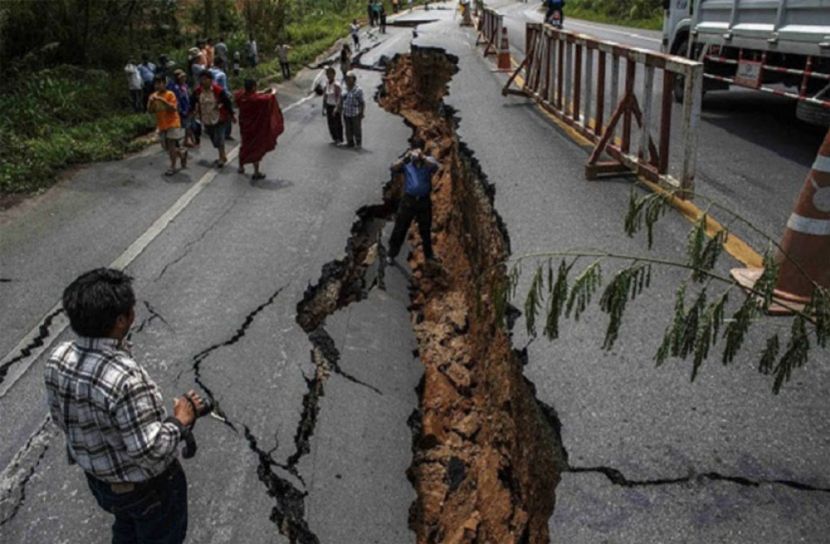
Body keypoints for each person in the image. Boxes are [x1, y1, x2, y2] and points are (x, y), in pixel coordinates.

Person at [45, 268, 205, 544]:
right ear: (122, 320)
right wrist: (180, 420)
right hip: (148, 490)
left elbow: (62, 419)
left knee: (126, 529)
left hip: (100, 483)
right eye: (131, 309)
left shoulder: (58, 358)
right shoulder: (124, 379)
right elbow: (150, 451)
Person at [386, 138, 441, 266]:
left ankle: (429, 256)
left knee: (425, 230)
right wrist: (405, 158)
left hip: (423, 201)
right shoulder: (407, 162)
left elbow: (435, 167)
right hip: (408, 201)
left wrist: (422, 157)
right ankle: (391, 254)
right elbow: (393, 168)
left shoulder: (428, 160)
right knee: (400, 228)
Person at [234, 79, 284, 180]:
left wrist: (263, 91)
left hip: (244, 125)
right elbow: (269, 98)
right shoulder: (256, 100)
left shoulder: (240, 96)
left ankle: (241, 166)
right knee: (255, 147)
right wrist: (273, 91)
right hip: (255, 127)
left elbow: (252, 94)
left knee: (245, 145)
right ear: (253, 87)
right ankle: (256, 172)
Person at [194, 70, 235, 168]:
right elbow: (193, 101)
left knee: (219, 137)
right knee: (213, 138)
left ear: (210, 80)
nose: (203, 81)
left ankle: (222, 157)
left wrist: (232, 114)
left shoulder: (218, 90)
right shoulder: (198, 91)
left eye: (205, 79)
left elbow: (227, 102)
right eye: (202, 79)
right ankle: (222, 154)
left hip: (219, 117)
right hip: (207, 118)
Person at [148, 75, 188, 176]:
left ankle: (173, 166)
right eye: (156, 83)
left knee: (171, 146)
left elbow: (173, 108)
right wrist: (151, 102)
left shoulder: (170, 94)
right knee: (166, 147)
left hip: (172, 123)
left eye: (160, 83)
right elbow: (150, 110)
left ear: (165, 84)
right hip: (162, 125)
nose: (157, 86)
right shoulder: (153, 96)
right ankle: (181, 153)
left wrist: (161, 100)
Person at [168, 69, 195, 148]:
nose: (183, 79)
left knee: (188, 125)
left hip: (187, 108)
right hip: (180, 109)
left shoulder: (185, 86)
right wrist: (180, 110)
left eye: (184, 77)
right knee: (182, 126)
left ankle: (187, 140)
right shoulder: (174, 87)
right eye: (181, 77)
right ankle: (181, 141)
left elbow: (188, 96)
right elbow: (176, 100)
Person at [340, 71, 365, 148]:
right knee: (348, 129)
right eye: (346, 78)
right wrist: (338, 108)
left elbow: (362, 102)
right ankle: (350, 142)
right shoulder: (344, 88)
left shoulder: (358, 90)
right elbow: (341, 99)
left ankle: (358, 143)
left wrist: (362, 113)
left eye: (349, 78)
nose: (347, 80)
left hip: (355, 113)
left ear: (353, 79)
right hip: (346, 112)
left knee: (356, 129)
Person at [321, 66, 343, 145]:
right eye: (327, 74)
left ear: (334, 74)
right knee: (330, 123)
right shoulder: (326, 84)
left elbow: (339, 97)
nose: (329, 76)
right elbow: (325, 96)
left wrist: (336, 108)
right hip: (328, 105)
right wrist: (323, 108)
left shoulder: (336, 85)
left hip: (335, 106)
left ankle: (339, 138)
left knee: (337, 123)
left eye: (330, 74)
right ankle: (334, 138)